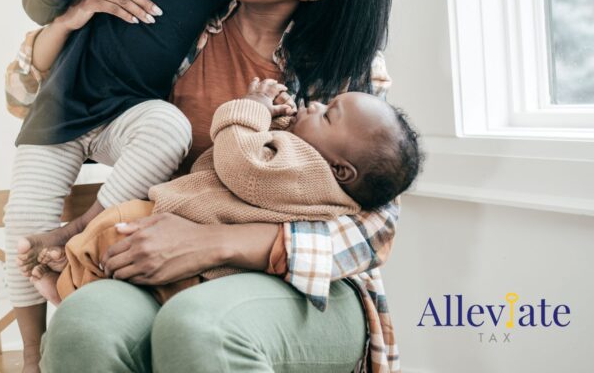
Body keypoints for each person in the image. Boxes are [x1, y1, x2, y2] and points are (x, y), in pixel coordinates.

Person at [8, 0, 402, 372]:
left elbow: (378, 228)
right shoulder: (184, 14)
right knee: (84, 327)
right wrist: (69, 19)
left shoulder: (345, 69)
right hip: (165, 266)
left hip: (306, 288)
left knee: (198, 327)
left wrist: (213, 243)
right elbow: (27, 99)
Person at [3, 0, 280, 371]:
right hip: (58, 112)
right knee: (22, 221)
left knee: (170, 129)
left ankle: (82, 231)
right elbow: (36, 4)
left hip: (127, 117)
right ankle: (33, 350)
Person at [35, 78, 421, 307]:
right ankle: (70, 275)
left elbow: (244, 166)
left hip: (198, 241)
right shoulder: (316, 179)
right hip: (196, 245)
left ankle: (66, 286)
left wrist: (250, 109)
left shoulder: (308, 173)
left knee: (115, 227)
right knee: (114, 236)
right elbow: (274, 164)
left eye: (328, 114)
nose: (316, 104)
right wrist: (282, 120)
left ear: (341, 169)